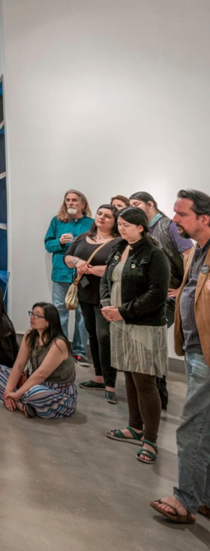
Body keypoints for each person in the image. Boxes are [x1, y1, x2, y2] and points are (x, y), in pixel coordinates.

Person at [150, 190, 210, 524]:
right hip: (193, 349)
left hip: (206, 355)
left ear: (205, 218)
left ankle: (185, 499)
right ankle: (205, 497)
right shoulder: (196, 252)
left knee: (192, 428)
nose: (174, 220)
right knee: (205, 428)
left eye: (181, 214)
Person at [101, 207, 170, 465]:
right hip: (118, 321)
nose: (121, 228)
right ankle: (134, 426)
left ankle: (150, 439)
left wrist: (123, 311)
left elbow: (157, 294)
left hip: (143, 325)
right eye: (119, 224)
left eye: (126, 224)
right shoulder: (118, 248)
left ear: (141, 226)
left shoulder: (154, 254)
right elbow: (106, 279)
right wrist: (107, 303)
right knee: (128, 374)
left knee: (144, 381)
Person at [129, 191, 194, 411]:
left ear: (151, 204)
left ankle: (158, 397)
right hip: (152, 294)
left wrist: (184, 287)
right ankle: (153, 397)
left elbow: (188, 254)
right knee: (148, 341)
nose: (134, 208)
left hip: (168, 295)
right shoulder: (144, 231)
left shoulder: (169, 226)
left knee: (150, 340)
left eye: (137, 204)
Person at [64, 205, 121, 403]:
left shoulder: (119, 242)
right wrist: (78, 261)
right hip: (84, 294)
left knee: (105, 336)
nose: (102, 218)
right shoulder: (82, 237)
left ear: (115, 221)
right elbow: (68, 257)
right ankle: (98, 376)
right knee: (92, 334)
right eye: (100, 214)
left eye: (108, 216)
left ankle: (110, 384)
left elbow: (116, 269)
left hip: (106, 297)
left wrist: (91, 269)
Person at [0, 303, 78, 419]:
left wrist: (17, 394)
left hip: (56, 391)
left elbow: (41, 374)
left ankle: (17, 400)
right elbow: (19, 365)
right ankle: (21, 405)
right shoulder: (30, 336)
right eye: (32, 313)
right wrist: (9, 391)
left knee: (35, 392)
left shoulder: (58, 343)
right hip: (34, 383)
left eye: (37, 315)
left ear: (49, 322)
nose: (32, 317)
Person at [44, 189, 94, 365]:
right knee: (59, 312)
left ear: (82, 204)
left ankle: (79, 351)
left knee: (83, 313)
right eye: (67, 200)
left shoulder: (91, 223)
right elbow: (48, 245)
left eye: (74, 200)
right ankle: (61, 349)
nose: (70, 203)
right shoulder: (57, 221)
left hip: (84, 275)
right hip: (61, 273)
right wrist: (59, 242)